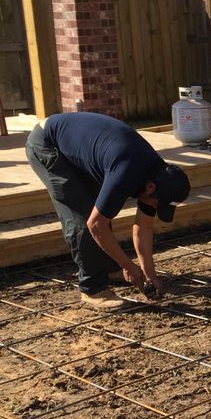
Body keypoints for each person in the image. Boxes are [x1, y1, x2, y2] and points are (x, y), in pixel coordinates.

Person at [26, 112, 191, 312]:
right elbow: (95, 225)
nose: (155, 209)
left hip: (81, 146)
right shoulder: (127, 171)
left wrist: (150, 275)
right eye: (159, 204)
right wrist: (129, 265)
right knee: (83, 215)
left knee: (101, 207)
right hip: (48, 143)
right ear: (149, 188)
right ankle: (92, 289)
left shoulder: (156, 177)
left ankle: (109, 268)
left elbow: (144, 227)